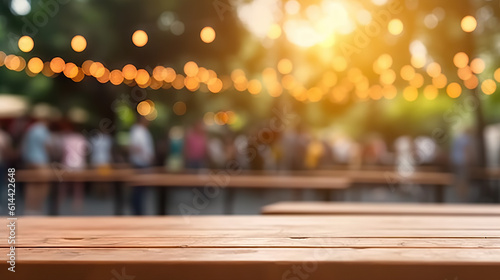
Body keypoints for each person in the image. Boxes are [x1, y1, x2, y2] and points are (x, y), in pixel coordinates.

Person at [21, 106, 52, 215]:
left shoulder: (31, 129)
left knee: (31, 185)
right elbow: (47, 146)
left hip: (30, 160)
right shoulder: (43, 129)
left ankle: (29, 208)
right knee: (44, 184)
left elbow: (24, 146)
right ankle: (38, 208)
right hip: (40, 160)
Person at [129, 116, 154, 215]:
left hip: (144, 164)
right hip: (139, 164)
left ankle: (139, 212)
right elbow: (134, 147)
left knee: (141, 191)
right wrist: (145, 155)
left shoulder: (143, 131)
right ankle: (137, 213)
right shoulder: (137, 131)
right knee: (138, 191)